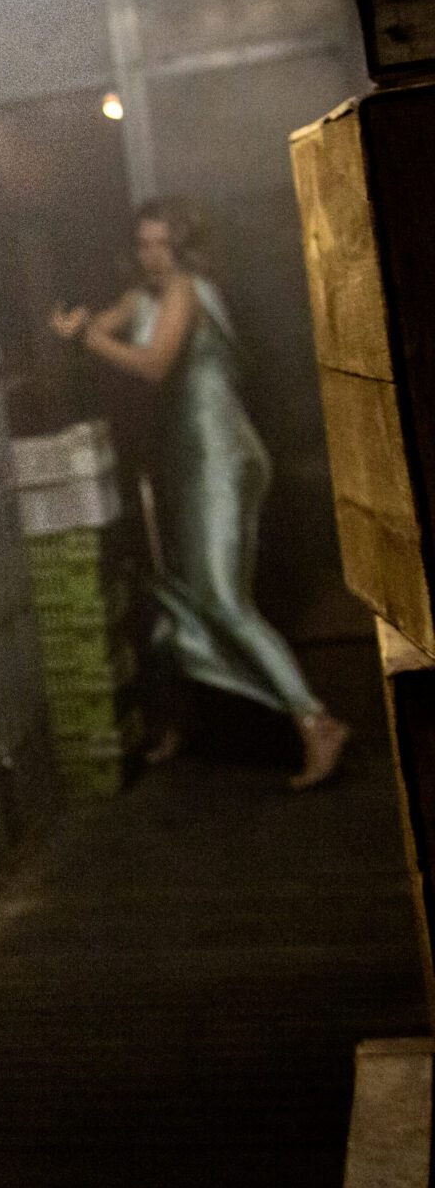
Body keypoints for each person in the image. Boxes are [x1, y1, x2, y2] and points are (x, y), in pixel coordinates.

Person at [52, 198, 351, 789]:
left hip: (222, 458)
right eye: (144, 245)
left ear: (184, 248)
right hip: (187, 463)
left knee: (220, 598)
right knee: (175, 595)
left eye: (164, 245)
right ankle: (182, 721)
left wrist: (86, 337)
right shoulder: (145, 297)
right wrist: (77, 329)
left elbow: (153, 365)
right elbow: (103, 330)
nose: (153, 256)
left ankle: (316, 721)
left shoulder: (188, 291)